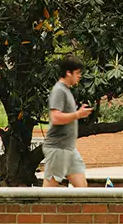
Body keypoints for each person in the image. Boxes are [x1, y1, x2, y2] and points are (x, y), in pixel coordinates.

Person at [42, 56, 93, 188]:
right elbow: (55, 117)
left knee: (82, 187)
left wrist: (78, 114)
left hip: (69, 148)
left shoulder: (66, 90)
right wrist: (78, 114)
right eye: (77, 73)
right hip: (58, 148)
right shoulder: (59, 90)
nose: (80, 76)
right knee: (50, 187)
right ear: (68, 73)